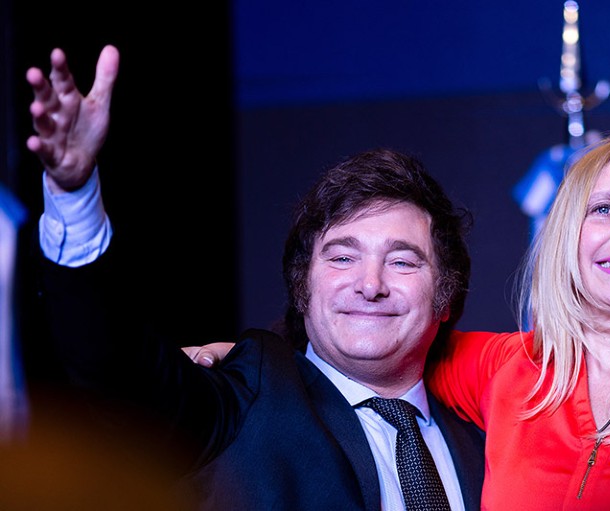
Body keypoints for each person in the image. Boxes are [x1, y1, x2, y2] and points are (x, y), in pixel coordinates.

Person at [198, 133, 610, 509]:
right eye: (603, 208)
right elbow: (375, 339)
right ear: (566, 234)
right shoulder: (504, 369)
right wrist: (243, 359)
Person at [26, 46, 484, 510]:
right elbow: (116, 369)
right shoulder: (248, 397)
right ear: (303, 288)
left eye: (402, 262)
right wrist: (75, 194)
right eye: (342, 259)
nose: (370, 285)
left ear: (446, 297)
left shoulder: (489, 436)